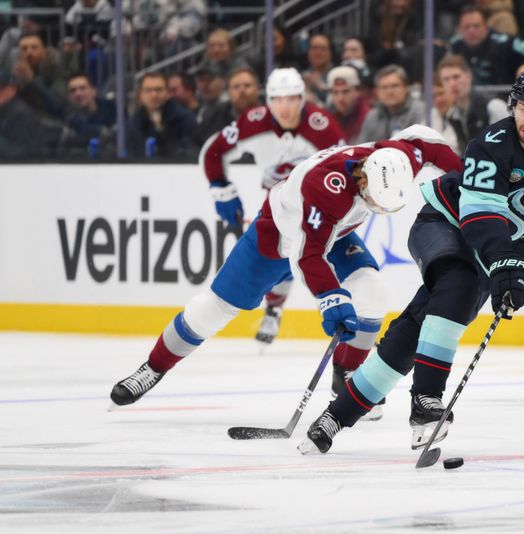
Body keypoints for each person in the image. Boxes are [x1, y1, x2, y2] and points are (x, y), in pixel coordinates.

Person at [300, 67, 524, 454]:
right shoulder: (490, 143)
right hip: (444, 223)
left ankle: (336, 416)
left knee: (419, 324)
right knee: (457, 286)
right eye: (523, 108)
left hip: (492, 247)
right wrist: (508, 263)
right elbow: (479, 217)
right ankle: (426, 401)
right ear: (513, 106)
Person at [109, 125, 463, 420]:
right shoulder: (327, 187)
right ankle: (152, 367)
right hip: (276, 235)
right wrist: (330, 299)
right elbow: (307, 254)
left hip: (333, 232)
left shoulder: (399, 158)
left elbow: (426, 141)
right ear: (364, 178)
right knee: (209, 311)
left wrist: (469, 182)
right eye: (373, 202)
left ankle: (346, 374)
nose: (375, 209)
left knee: (372, 292)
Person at [198, 67, 344, 346]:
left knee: (317, 258)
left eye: (291, 99)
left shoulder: (322, 125)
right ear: (268, 101)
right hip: (276, 202)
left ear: (303, 99)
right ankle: (274, 309)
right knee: (279, 256)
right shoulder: (254, 121)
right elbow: (213, 151)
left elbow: (344, 169)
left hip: (318, 203)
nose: (285, 107)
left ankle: (340, 315)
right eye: (277, 100)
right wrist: (220, 187)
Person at [450, 5, 524, 86]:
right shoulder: (454, 46)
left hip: (504, 100)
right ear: (460, 29)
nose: (471, 31)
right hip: (467, 103)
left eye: (476, 26)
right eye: (466, 27)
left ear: (486, 27)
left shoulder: (506, 43)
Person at [127, 72, 196, 158]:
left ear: (167, 93)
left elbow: (189, 151)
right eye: (148, 90)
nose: (154, 95)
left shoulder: (184, 119)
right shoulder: (133, 123)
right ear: (140, 94)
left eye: (159, 90)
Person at [355, 64, 425, 143]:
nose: (389, 92)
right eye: (384, 87)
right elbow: (361, 147)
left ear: (406, 88)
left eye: (394, 86)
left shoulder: (421, 111)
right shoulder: (372, 116)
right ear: (377, 92)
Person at [192, 66, 261, 145]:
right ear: (229, 92)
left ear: (257, 89)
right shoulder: (212, 118)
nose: (242, 91)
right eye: (236, 87)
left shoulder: (270, 115)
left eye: (247, 85)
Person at [437, 53, 490, 154]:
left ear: (468, 76)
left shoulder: (492, 106)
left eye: (456, 77)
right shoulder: (452, 115)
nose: (452, 84)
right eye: (446, 79)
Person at [64, 73, 117, 152]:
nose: (78, 94)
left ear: (93, 91)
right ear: (69, 97)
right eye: (73, 91)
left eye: (82, 88)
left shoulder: (112, 111)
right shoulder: (68, 119)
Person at [325, 65, 371, 144]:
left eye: (345, 91)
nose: (340, 98)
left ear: (358, 92)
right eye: (335, 92)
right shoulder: (327, 117)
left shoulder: (369, 117)